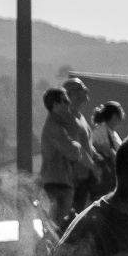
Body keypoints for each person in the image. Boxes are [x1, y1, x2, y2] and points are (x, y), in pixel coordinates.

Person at [38, 86, 89, 230]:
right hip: (56, 184)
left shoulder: (59, 125)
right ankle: (51, 252)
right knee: (57, 229)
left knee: (57, 227)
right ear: (55, 105)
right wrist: (77, 145)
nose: (69, 104)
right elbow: (73, 152)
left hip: (60, 181)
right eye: (65, 101)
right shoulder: (54, 127)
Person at [87, 101, 125, 203]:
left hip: (109, 179)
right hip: (102, 178)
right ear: (114, 116)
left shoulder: (112, 133)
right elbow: (106, 151)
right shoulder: (101, 131)